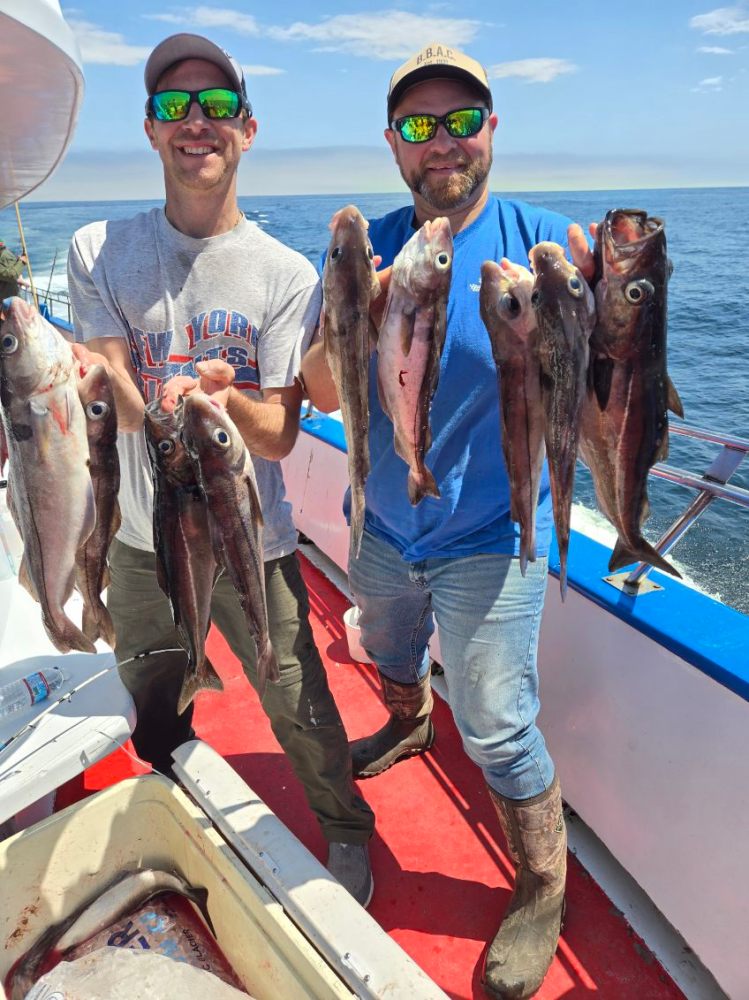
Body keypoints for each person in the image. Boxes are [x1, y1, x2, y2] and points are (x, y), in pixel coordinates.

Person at [302, 41, 594, 999]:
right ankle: (408, 720)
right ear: (393, 144)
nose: (442, 143)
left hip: (494, 535)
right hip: (384, 521)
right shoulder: (368, 245)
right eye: (420, 127)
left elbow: (599, 397)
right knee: (384, 655)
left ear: (490, 131)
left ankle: (542, 883)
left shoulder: (545, 240)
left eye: (460, 121)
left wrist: (605, 316)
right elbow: (310, 385)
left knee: (501, 725)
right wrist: (357, 310)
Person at [67, 32, 375, 906]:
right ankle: (167, 796)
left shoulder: (283, 275)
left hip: (252, 532)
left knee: (295, 693)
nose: (194, 123)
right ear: (151, 130)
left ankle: (347, 829)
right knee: (153, 681)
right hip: (139, 530)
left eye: (213, 107)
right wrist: (115, 383)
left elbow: (277, 435)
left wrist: (222, 402)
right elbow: (114, 405)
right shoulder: (98, 249)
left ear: (246, 128)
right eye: (173, 107)